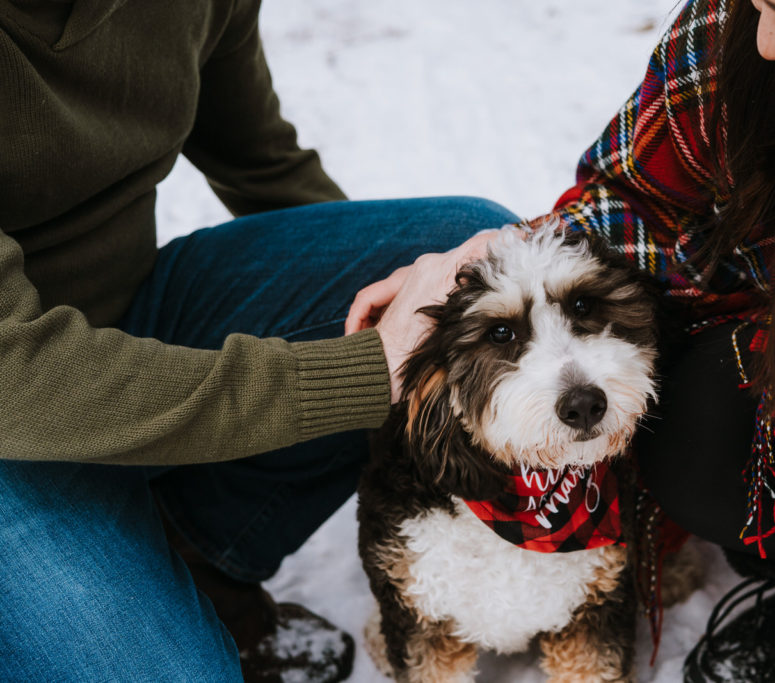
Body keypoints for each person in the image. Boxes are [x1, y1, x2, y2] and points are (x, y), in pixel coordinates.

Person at [351, 0, 775, 680]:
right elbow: (639, 199)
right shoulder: (733, 36)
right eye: (761, 6)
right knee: (687, 419)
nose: (764, 41)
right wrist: (502, 254)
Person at [0, 2, 518, 681]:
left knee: (459, 286)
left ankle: (194, 551)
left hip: (129, 308)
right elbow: (17, 376)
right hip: (14, 409)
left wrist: (387, 302)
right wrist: (360, 371)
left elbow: (261, 160)